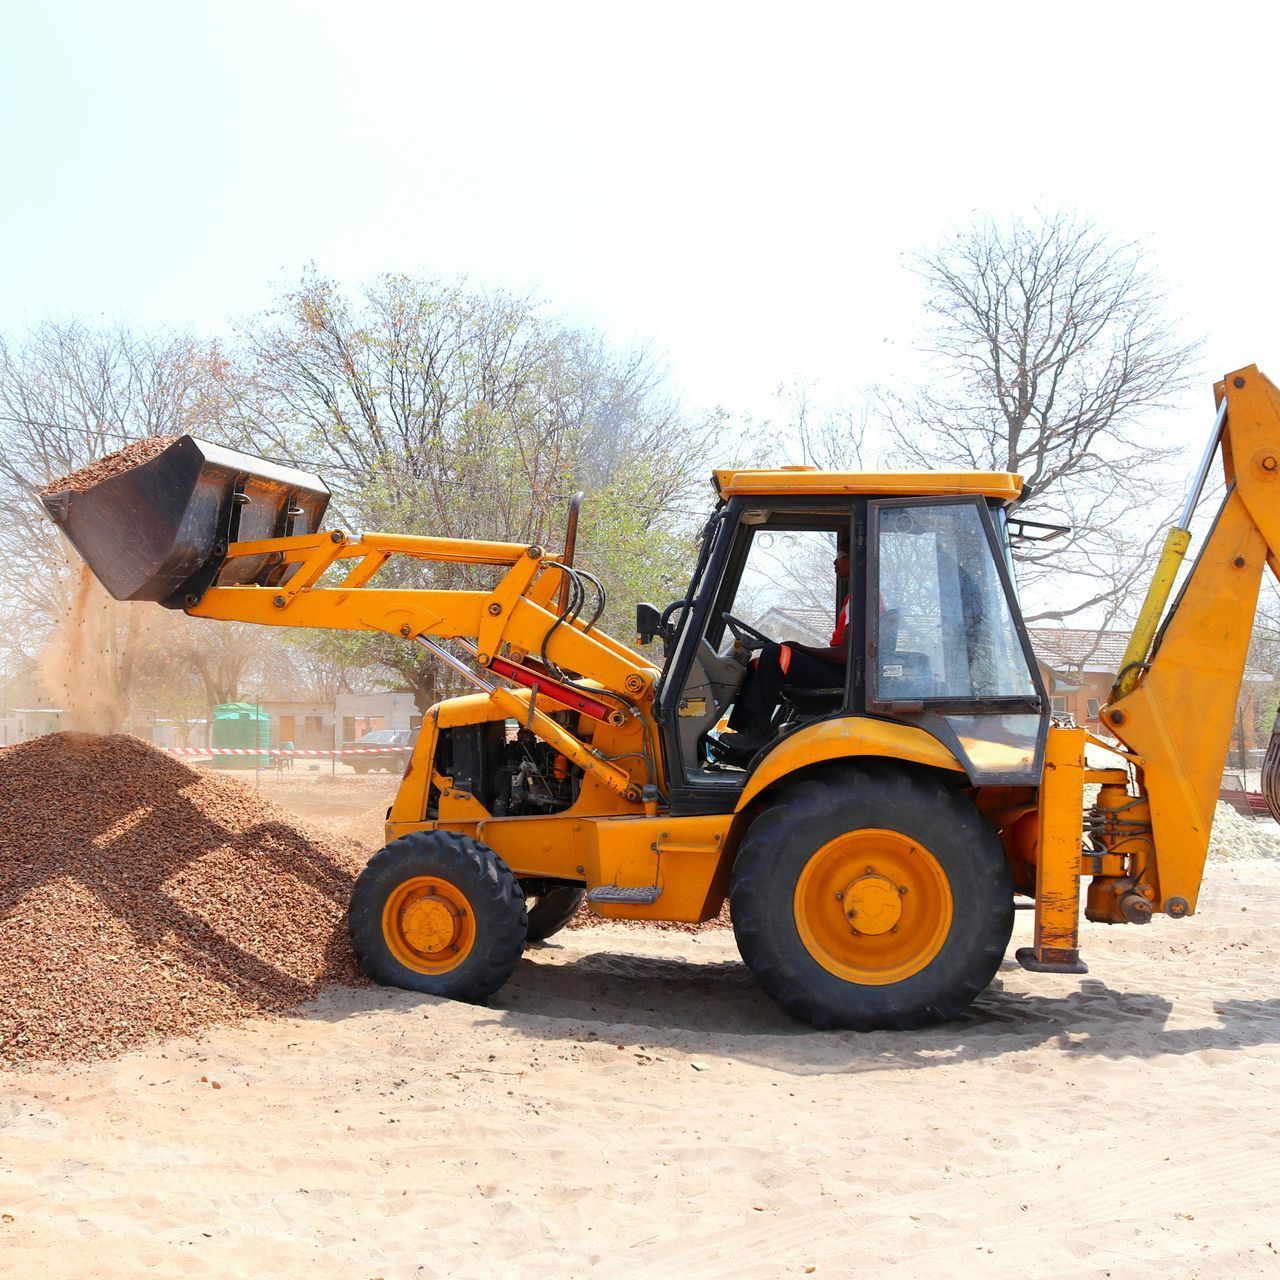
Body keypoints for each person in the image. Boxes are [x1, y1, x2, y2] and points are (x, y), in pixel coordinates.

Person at [719, 549, 853, 757]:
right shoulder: (855, 598)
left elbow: (844, 656)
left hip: (844, 674)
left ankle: (759, 733)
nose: (834, 562)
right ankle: (744, 732)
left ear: (854, 557)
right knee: (757, 663)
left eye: (840, 555)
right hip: (840, 669)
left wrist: (800, 648)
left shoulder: (861, 600)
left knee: (775, 654)